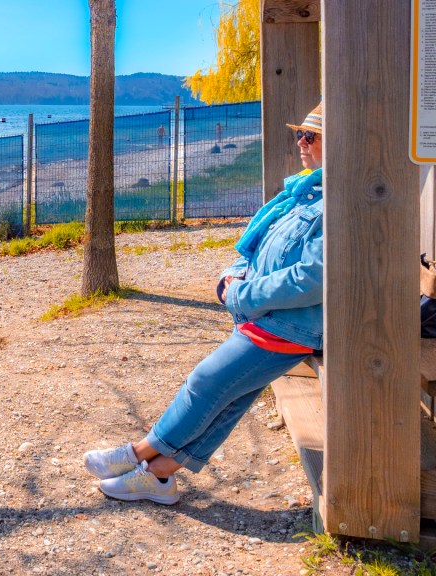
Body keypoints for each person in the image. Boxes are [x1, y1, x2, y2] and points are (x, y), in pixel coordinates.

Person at [83, 103, 324, 505]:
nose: (300, 140)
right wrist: (232, 275)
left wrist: (240, 295)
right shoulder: (304, 193)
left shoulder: (328, 203)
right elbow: (259, 248)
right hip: (269, 316)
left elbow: (310, 279)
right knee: (228, 397)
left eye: (310, 136)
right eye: (299, 132)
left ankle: (137, 455)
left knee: (205, 383)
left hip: (289, 325)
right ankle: (158, 477)